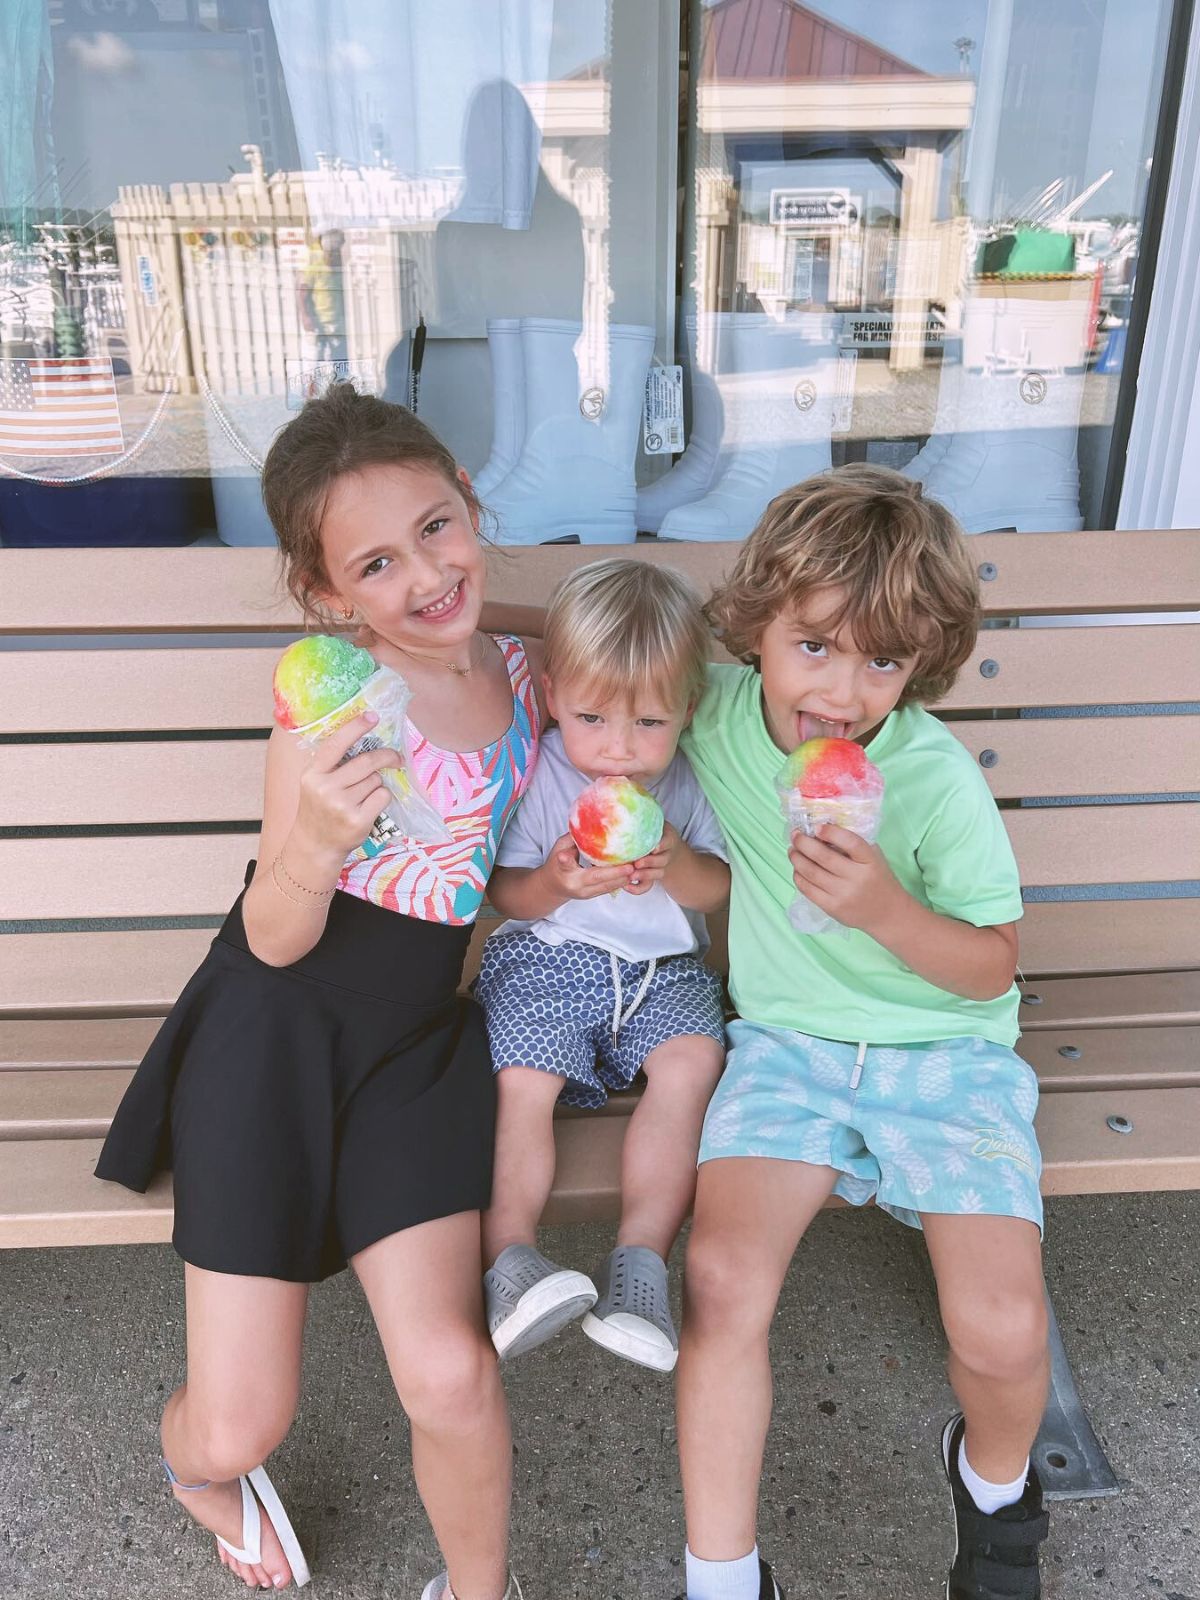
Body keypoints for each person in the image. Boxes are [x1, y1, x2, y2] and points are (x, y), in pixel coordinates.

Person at [96, 385, 539, 1600]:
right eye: (379, 563)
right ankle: (197, 1476)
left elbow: (586, 652)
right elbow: (277, 936)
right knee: (239, 1423)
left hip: (413, 1046)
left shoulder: (528, 671)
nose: (428, 573)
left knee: (449, 1369)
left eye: (439, 526)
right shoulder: (337, 697)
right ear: (332, 594)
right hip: (273, 1025)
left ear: (469, 502)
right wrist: (319, 843)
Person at [676, 466, 1050, 1600]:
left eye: (883, 661)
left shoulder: (932, 780)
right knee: (722, 1276)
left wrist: (885, 908)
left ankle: (994, 1489)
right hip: (788, 1047)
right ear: (756, 631)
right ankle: (722, 1575)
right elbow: (594, 633)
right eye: (816, 647)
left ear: (919, 666)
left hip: (948, 1055)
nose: (842, 692)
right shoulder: (716, 709)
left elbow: (993, 962)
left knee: (999, 1321)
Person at [474, 559, 730, 1373]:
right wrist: (557, 880)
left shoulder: (687, 780)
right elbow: (505, 897)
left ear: (687, 710)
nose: (619, 750)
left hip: (663, 974)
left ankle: (641, 1268)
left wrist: (673, 862)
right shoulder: (545, 773)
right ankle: (510, 1263)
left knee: (692, 1063)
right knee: (524, 1080)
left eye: (649, 724)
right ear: (553, 697)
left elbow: (716, 888)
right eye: (592, 717)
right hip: (549, 960)